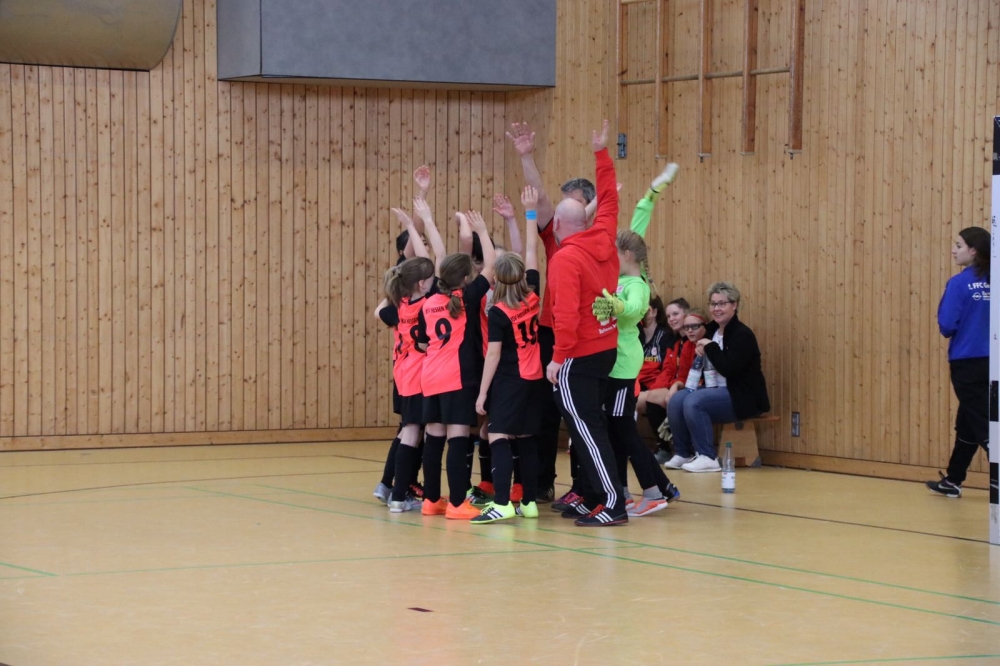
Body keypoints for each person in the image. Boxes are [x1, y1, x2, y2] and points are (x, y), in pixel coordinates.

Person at [506, 121, 596, 504]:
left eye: (570, 205)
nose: (558, 213)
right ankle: (541, 482)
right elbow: (540, 200)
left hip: (583, 338)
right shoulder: (556, 237)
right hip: (549, 332)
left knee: (579, 415)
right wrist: (526, 157)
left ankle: (584, 486)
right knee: (543, 413)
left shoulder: (596, 241)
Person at [546, 120, 627, 526]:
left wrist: (558, 359)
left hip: (577, 354)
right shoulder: (604, 238)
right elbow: (609, 198)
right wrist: (601, 155)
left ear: (559, 226)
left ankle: (612, 503)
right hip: (605, 348)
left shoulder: (565, 258)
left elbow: (564, 316)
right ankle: (594, 495)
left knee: (588, 430)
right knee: (587, 426)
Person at [471, 186, 545, 523]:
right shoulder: (533, 295)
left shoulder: (499, 312)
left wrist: (482, 393)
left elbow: (493, 356)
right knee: (527, 439)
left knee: (498, 435)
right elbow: (531, 250)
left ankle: (501, 503)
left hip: (511, 379)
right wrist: (529, 212)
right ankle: (528, 502)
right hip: (535, 379)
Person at [418, 210, 495, 520]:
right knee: (458, 439)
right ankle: (458, 504)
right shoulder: (466, 299)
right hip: (456, 378)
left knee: (434, 440)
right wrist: (482, 231)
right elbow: (491, 266)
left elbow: (423, 343)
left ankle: (431, 500)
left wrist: (428, 220)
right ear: (465, 279)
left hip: (430, 378)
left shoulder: (429, 302)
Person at [664, 282, 770, 472]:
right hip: (714, 389)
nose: (716, 308)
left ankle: (707, 456)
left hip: (741, 395)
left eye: (722, 304)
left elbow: (728, 369)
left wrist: (710, 346)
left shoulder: (742, 334)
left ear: (734, 305)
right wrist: (699, 344)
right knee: (677, 400)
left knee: (694, 401)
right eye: (713, 304)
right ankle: (683, 452)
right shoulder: (711, 329)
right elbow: (695, 335)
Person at [927, 227, 991, 498]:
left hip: (967, 362)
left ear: (973, 251)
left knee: (985, 425)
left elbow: (947, 325)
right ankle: (953, 480)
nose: (953, 250)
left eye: (959, 245)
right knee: (969, 420)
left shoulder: (959, 283)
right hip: (994, 362)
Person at [637, 297, 689, 462]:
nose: (671, 319)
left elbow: (684, 372)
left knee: (649, 398)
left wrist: (669, 386)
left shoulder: (671, 338)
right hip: (666, 384)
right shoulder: (677, 342)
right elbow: (669, 370)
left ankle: (674, 448)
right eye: (669, 316)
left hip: (686, 386)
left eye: (675, 314)